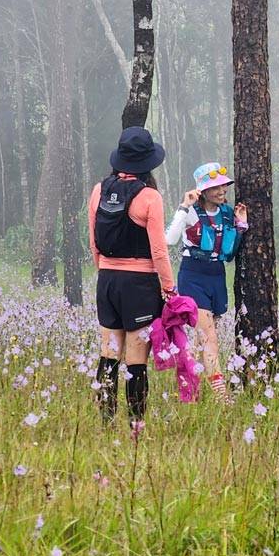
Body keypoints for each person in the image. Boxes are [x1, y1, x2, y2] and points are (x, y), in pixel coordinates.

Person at [88, 126, 176, 424]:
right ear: (148, 163)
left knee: (109, 352)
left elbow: (93, 240)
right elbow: (159, 250)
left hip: (107, 280)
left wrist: (105, 270)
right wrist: (169, 289)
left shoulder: (99, 190)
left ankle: (106, 422)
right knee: (137, 359)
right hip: (140, 285)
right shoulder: (150, 197)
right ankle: (135, 425)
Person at [166, 163, 248, 403]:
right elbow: (170, 239)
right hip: (193, 275)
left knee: (202, 340)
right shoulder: (191, 212)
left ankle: (190, 388)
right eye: (215, 187)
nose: (222, 190)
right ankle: (221, 395)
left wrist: (241, 226)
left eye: (223, 185)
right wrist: (184, 205)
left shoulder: (227, 213)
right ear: (202, 190)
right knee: (209, 336)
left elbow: (230, 251)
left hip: (216, 276)